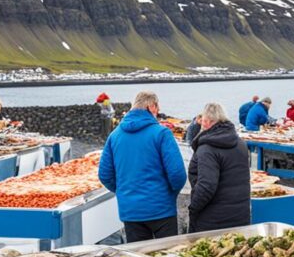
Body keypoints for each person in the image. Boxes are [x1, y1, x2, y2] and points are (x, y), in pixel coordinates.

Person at [98, 91, 187, 241]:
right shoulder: (162, 133)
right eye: (157, 108)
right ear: (152, 106)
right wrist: (169, 194)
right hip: (161, 209)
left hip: (131, 211)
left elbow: (105, 175)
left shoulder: (115, 136)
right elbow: (177, 174)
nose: (158, 112)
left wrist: (123, 191)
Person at [188, 103, 250, 232]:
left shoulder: (207, 149)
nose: (202, 124)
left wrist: (193, 208)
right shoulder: (241, 144)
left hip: (213, 220)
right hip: (240, 215)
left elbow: (206, 185)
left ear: (208, 121)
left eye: (203, 121)